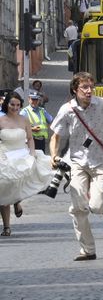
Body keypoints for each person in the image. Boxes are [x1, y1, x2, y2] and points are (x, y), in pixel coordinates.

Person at [49, 72, 103, 260]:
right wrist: (54, 155)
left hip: (102, 161)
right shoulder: (67, 110)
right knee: (78, 209)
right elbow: (56, 136)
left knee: (97, 206)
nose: (89, 90)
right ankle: (88, 249)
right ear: (75, 89)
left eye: (91, 87)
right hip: (78, 162)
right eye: (84, 87)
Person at [0, 92, 53, 237]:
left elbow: (30, 138)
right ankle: (7, 227)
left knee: (20, 183)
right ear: (7, 104)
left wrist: (32, 153)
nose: (15, 108)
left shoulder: (24, 120)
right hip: (4, 156)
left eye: (18, 105)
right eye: (12, 105)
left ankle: (17, 201)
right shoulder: (1, 120)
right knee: (3, 192)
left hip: (21, 154)